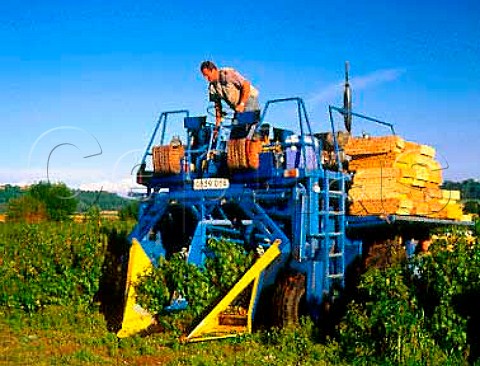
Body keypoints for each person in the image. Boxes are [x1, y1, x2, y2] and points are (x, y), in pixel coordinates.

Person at [200, 61, 260, 135]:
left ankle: (253, 138)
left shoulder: (227, 74)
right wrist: (217, 126)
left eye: (207, 75)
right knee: (235, 130)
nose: (206, 78)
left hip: (248, 99)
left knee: (247, 128)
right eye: (204, 76)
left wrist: (242, 104)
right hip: (237, 107)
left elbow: (246, 85)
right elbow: (217, 106)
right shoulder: (212, 87)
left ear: (213, 70)